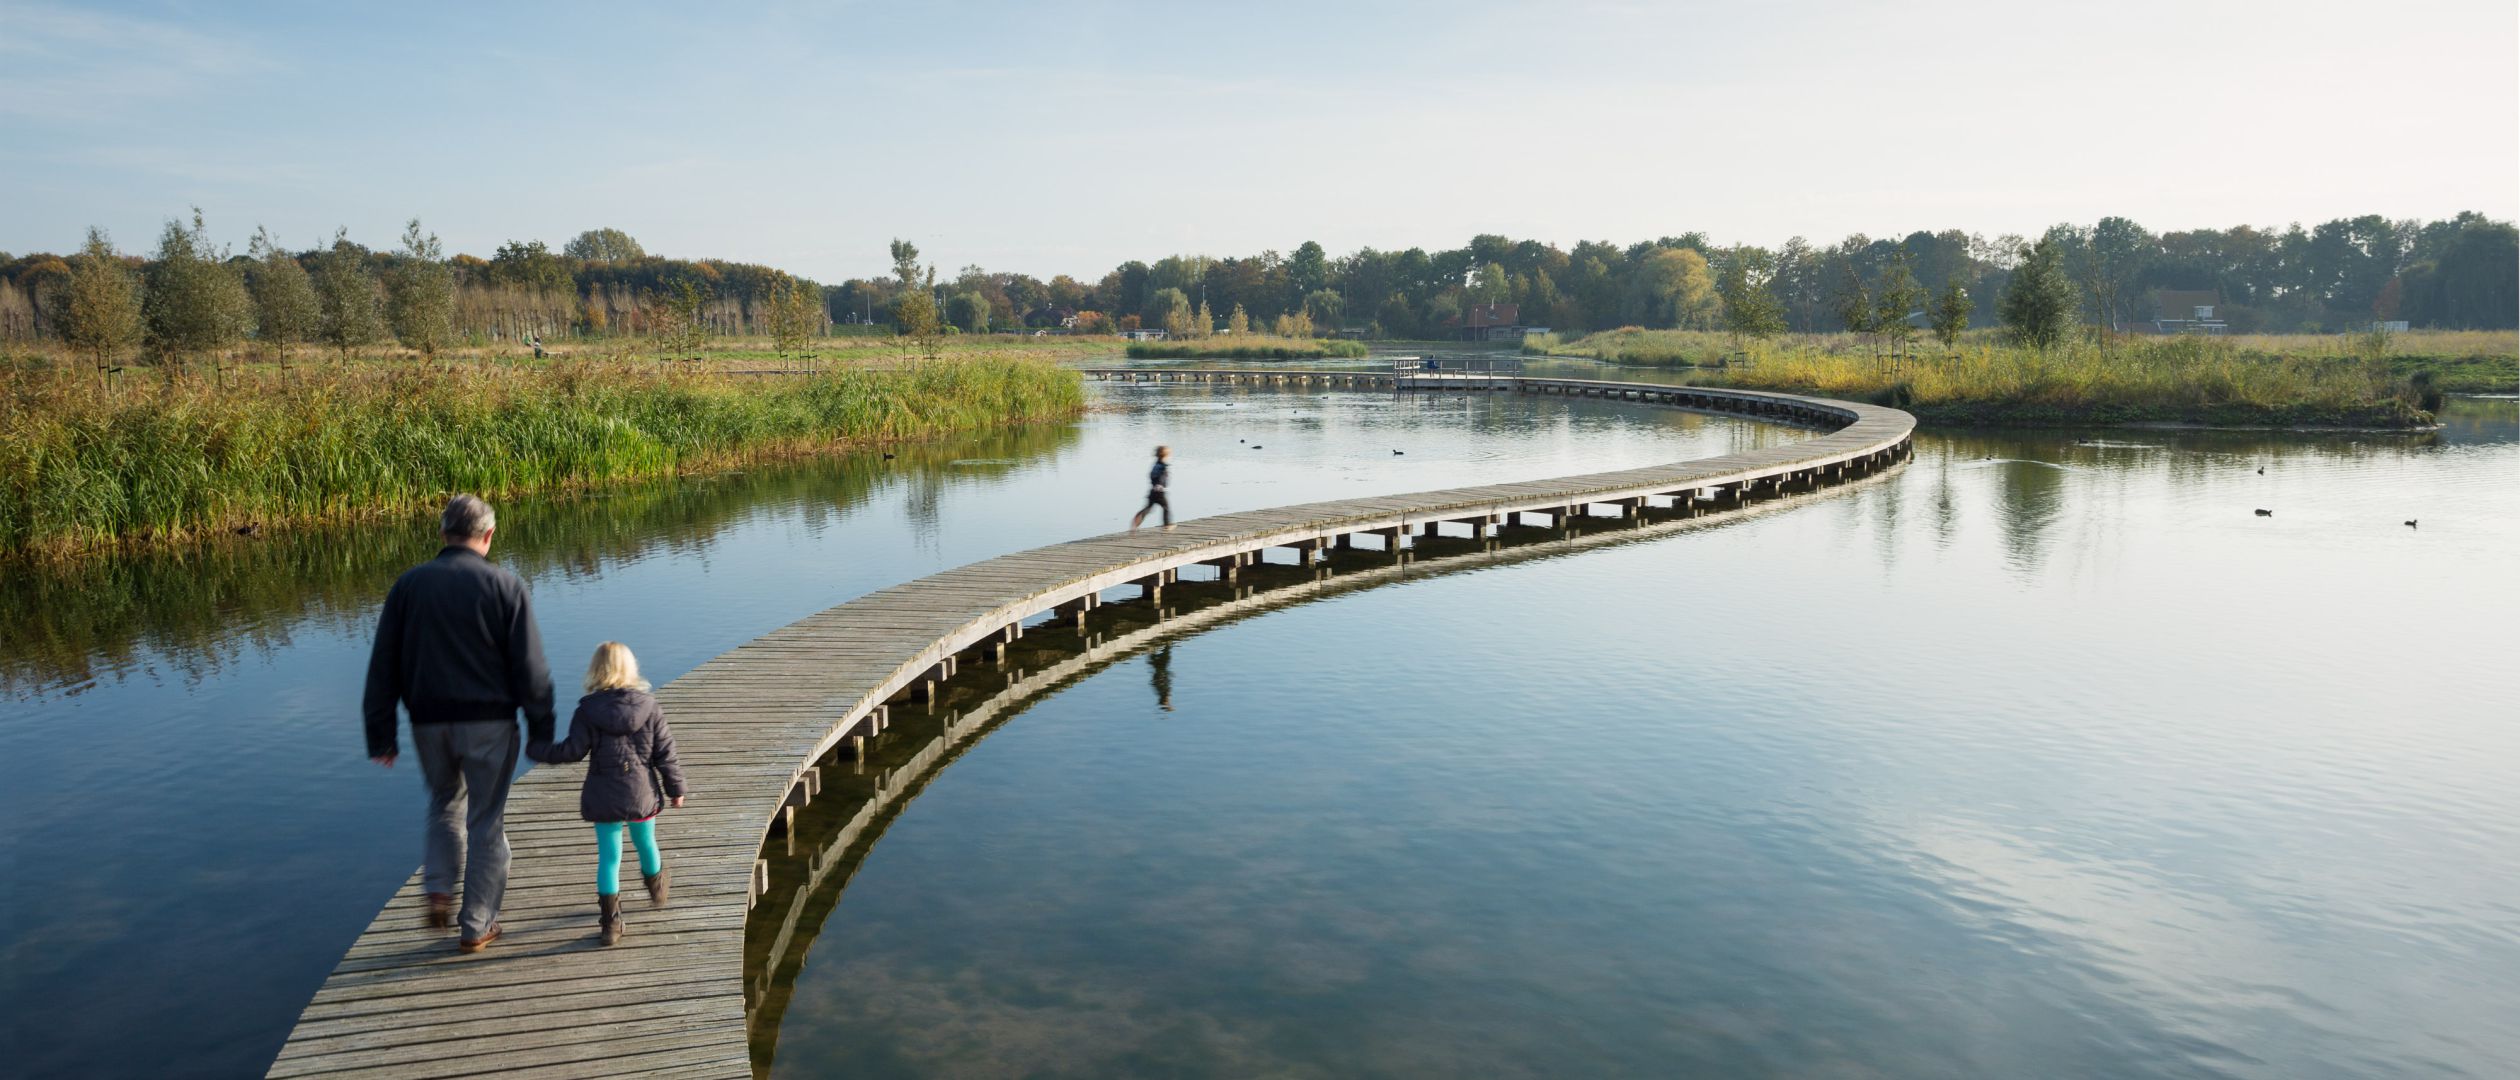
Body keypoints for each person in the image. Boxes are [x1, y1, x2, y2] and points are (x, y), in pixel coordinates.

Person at [363, 495, 555, 953]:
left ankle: (438, 887)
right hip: (490, 725)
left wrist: (381, 734)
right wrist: (542, 730)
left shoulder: (408, 586)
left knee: (444, 802)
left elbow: (383, 665)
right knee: (486, 821)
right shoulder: (506, 586)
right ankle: (477, 925)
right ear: (487, 536)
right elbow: (532, 669)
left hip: (428, 724)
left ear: (443, 533)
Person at [527, 642, 687, 946]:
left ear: (596, 670)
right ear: (631, 668)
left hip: (603, 794)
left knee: (609, 858)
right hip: (641, 792)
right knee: (646, 843)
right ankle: (657, 889)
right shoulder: (650, 707)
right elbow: (666, 753)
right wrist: (676, 788)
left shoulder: (587, 710)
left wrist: (538, 749)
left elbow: (572, 751)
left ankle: (611, 925)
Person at [1129, 445, 1174, 531]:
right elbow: (1162, 478)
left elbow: (1150, 475)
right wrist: (1160, 485)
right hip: (1160, 491)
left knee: (1148, 508)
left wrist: (1154, 484)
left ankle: (1137, 519)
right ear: (1166, 456)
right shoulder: (1163, 466)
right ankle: (1167, 525)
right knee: (1166, 508)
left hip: (1152, 491)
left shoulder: (1155, 465)